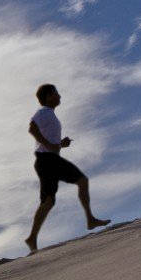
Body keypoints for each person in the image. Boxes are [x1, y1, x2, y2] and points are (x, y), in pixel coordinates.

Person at [24, 83, 110, 253]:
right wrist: (50, 145)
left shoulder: (51, 116)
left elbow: (50, 144)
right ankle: (90, 220)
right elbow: (32, 128)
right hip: (46, 160)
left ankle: (32, 238)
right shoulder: (43, 113)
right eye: (56, 93)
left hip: (48, 159)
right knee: (81, 181)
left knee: (49, 201)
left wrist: (60, 144)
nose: (60, 96)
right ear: (48, 96)